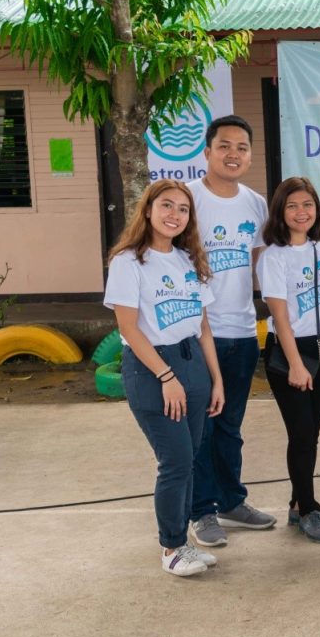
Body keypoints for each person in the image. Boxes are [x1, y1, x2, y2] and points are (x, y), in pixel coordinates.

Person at [104, 179, 225, 577]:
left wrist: (215, 380)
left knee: (188, 460)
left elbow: (204, 328)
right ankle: (172, 547)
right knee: (174, 461)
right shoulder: (128, 261)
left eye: (183, 209)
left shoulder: (188, 260)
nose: (174, 214)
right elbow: (130, 327)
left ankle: (184, 542)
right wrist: (167, 375)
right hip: (153, 368)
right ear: (149, 210)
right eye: (166, 206)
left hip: (193, 364)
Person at [187, 115, 275, 548]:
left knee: (231, 424)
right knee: (200, 426)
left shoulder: (256, 204)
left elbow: (262, 266)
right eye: (224, 145)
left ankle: (231, 500)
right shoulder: (186, 199)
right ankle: (201, 511)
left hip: (242, 330)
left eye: (242, 147)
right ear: (206, 151)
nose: (233, 154)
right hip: (196, 333)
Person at [257, 177, 320, 542]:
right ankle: (308, 509)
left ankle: (298, 503)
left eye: (307, 204)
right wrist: (294, 363)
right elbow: (280, 316)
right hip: (291, 350)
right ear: (280, 212)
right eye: (292, 206)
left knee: (312, 433)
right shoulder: (273, 256)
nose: (301, 212)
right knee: (302, 433)